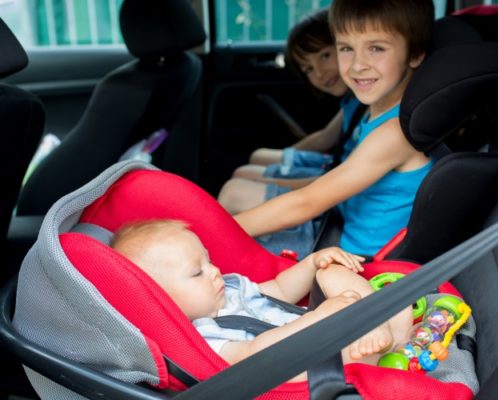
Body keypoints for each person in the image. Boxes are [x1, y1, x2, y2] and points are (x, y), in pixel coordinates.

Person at [231, 0, 436, 258]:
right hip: (336, 228)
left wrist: (215, 229)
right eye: (347, 48)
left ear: (415, 54)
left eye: (376, 48)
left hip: (351, 262)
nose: (357, 65)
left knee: (223, 237)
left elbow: (308, 203)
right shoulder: (379, 108)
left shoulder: (394, 133)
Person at [111, 219, 413, 382]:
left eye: (208, 260)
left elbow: (281, 289)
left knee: (328, 273)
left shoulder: (229, 288)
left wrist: (311, 264)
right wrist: (318, 319)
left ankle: (382, 326)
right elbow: (253, 353)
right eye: (197, 272)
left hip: (334, 326)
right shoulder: (204, 337)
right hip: (308, 360)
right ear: (162, 300)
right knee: (340, 324)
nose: (215, 271)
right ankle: (379, 331)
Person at [219, 8, 364, 214]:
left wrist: (278, 181)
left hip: (339, 189)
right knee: (255, 160)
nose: (320, 73)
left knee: (234, 192)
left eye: (324, 56)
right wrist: (287, 166)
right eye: (309, 69)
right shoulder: (354, 101)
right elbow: (324, 138)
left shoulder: (371, 107)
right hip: (336, 171)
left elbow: (341, 182)